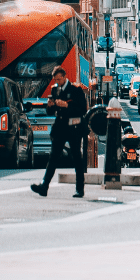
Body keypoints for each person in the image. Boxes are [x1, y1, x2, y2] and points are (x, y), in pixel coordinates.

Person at [31, 67, 88, 198]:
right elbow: (50, 112)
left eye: (59, 79)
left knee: (76, 158)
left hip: (74, 128)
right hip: (60, 128)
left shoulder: (75, 90)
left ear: (64, 77)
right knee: (53, 157)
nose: (57, 82)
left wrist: (67, 106)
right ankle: (44, 186)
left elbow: (82, 109)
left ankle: (80, 189)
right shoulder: (54, 90)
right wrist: (50, 106)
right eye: (55, 80)